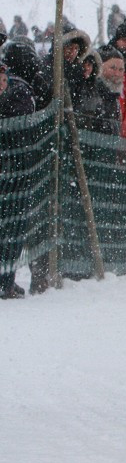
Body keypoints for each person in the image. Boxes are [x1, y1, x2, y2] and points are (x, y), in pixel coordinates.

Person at [0, 62, 37, 299]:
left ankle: (6, 280)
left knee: (11, 229)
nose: (2, 84)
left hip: (11, 175)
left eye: (3, 80)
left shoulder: (17, 99)